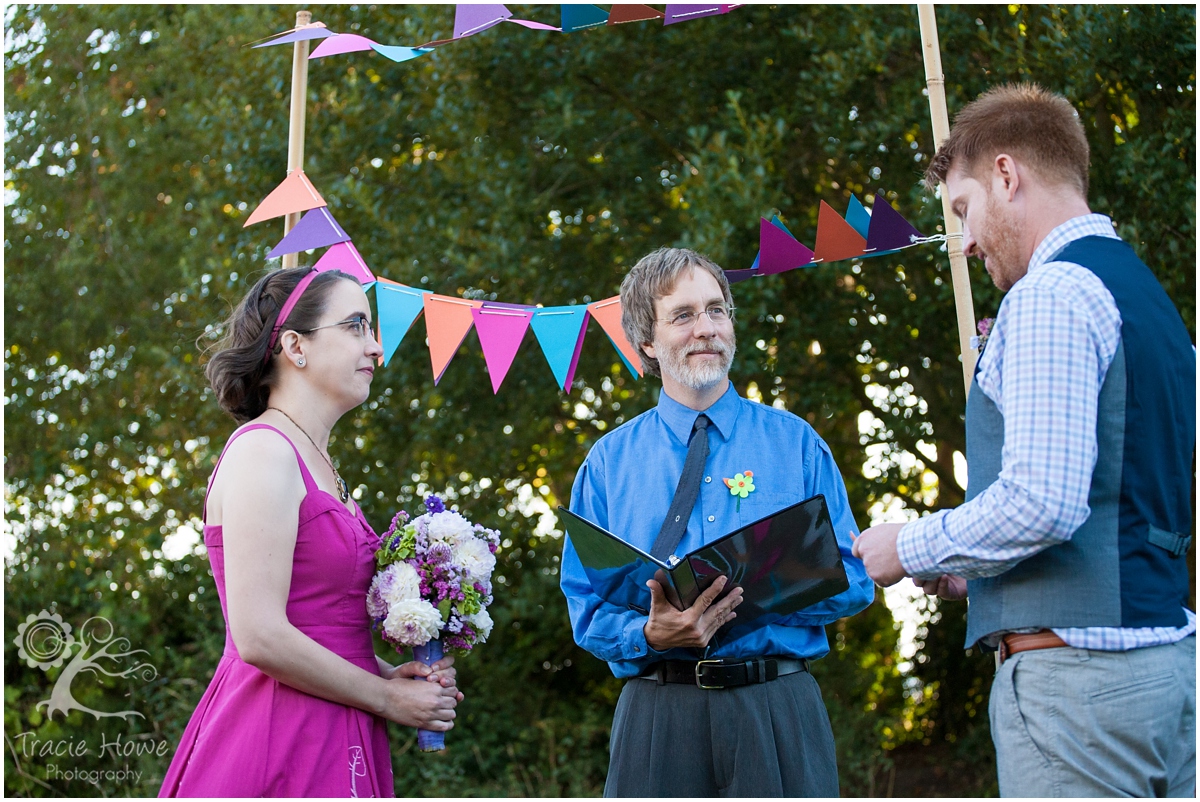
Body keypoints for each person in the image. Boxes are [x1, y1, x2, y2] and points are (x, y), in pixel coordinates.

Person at [852, 84, 1196, 797]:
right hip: (1166, 673)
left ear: (1007, 176)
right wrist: (976, 570)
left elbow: (1043, 502)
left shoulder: (1050, 294)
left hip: (1081, 698)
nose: (966, 240)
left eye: (963, 209)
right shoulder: (1151, 300)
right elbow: (1120, 499)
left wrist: (903, 546)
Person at [559, 247, 874, 797]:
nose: (704, 328)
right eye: (682, 316)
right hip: (657, 719)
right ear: (647, 343)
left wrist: (763, 595)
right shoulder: (607, 464)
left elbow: (858, 576)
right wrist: (647, 633)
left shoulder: (797, 444)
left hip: (776, 709)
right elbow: (585, 606)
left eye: (716, 311)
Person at [160, 266, 463, 797]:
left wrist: (391, 675)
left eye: (371, 330)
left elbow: (325, 622)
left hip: (340, 724)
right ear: (294, 346)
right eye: (354, 326)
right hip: (278, 733)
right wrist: (384, 697)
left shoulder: (318, 462)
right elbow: (259, 635)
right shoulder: (264, 451)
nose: (375, 349)